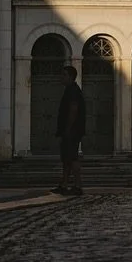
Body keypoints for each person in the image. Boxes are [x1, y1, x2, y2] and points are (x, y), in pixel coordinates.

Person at [55, 64, 85, 196]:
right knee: (66, 158)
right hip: (70, 130)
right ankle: (64, 184)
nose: (61, 77)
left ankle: (77, 185)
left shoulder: (73, 90)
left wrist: (68, 128)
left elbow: (73, 109)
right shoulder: (70, 90)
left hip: (72, 131)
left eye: (64, 75)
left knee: (72, 158)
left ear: (71, 77)